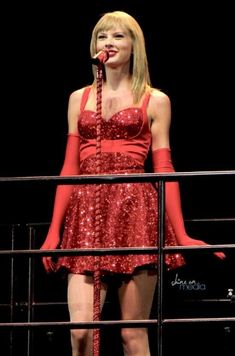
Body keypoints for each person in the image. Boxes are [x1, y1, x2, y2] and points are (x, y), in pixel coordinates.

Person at [40, 10, 225, 356]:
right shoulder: (77, 98)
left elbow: (164, 168)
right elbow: (68, 167)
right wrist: (54, 231)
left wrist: (181, 234)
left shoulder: (155, 99)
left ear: (134, 46)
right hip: (86, 213)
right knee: (80, 331)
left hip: (134, 211)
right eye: (101, 36)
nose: (108, 42)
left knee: (132, 333)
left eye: (117, 36)